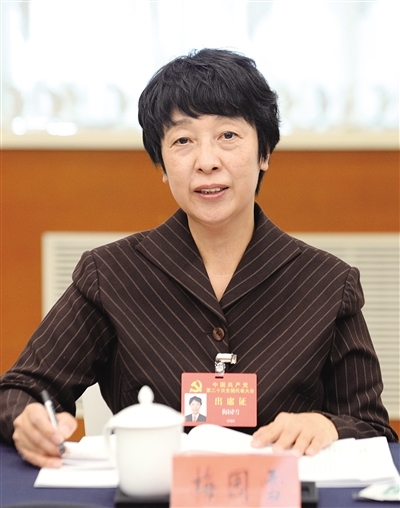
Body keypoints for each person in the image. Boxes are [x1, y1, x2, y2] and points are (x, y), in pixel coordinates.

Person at [0, 48, 397, 469]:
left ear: (264, 153)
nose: (207, 162)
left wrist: (328, 425)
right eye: (183, 141)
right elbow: (20, 389)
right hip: (153, 491)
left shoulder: (328, 283)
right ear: (162, 165)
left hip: (281, 491)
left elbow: (371, 427)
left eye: (228, 136)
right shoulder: (110, 274)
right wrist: (28, 419)